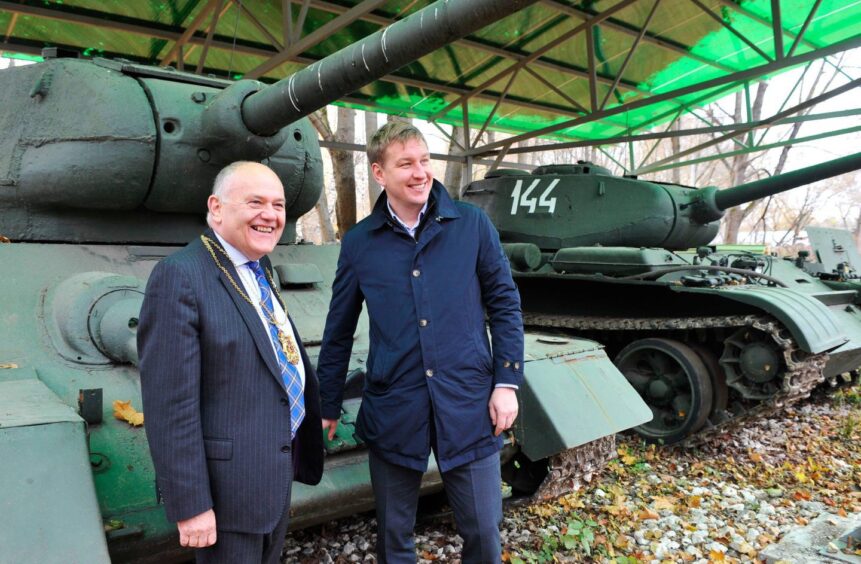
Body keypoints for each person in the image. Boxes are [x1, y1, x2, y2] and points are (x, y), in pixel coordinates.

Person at [317, 122, 524, 564]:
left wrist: (507, 383)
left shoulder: (470, 224)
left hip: (469, 402)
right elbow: (338, 330)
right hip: (396, 404)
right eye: (405, 163)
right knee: (394, 538)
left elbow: (505, 303)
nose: (419, 172)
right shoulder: (360, 243)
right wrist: (327, 404)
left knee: (485, 534)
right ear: (379, 173)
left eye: (425, 161)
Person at [138, 161, 323, 563]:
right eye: (255, 202)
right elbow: (170, 405)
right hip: (226, 497)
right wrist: (191, 505)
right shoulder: (180, 277)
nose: (270, 215)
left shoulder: (259, 268)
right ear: (216, 208)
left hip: (269, 479)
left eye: (277, 205)